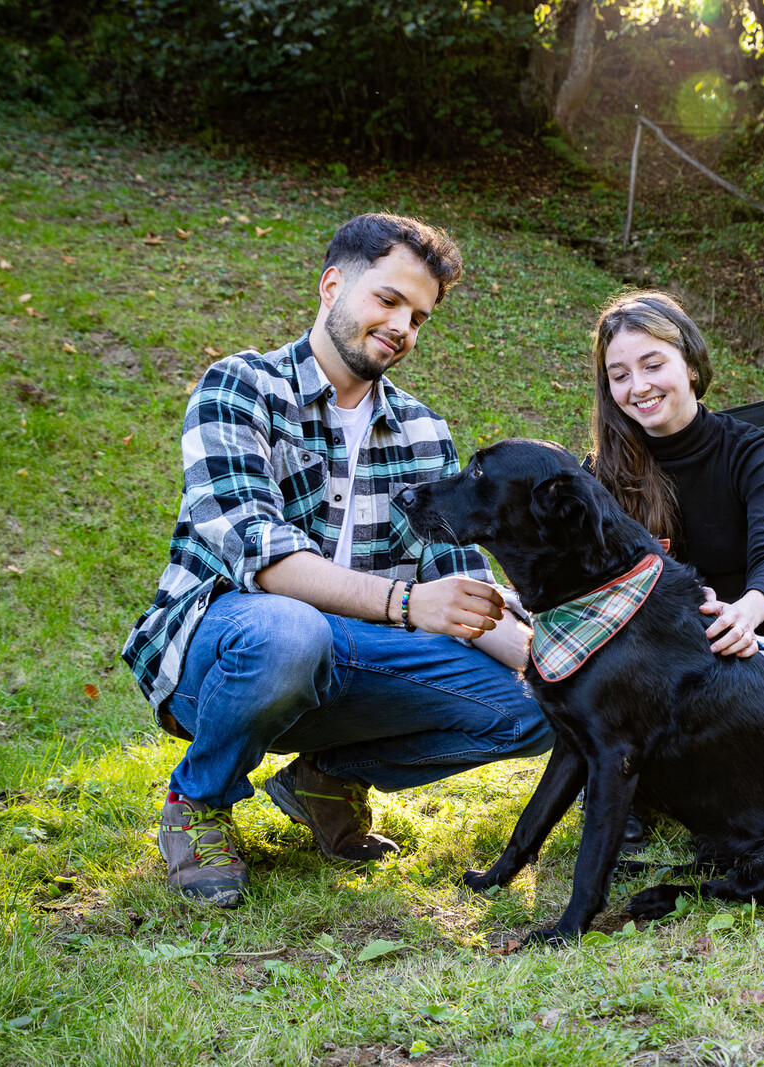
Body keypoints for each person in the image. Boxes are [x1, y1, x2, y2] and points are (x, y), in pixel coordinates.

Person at [122, 213, 549, 908]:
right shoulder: (240, 387)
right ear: (331, 285)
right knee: (291, 629)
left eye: (418, 316)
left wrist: (552, 662)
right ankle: (196, 801)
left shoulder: (421, 430)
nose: (402, 327)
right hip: (229, 657)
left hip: (357, 660)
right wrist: (409, 604)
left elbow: (464, 585)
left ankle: (327, 778)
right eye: (387, 299)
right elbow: (262, 558)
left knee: (543, 706)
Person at [587, 289, 764, 708]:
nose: (638, 387)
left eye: (653, 365)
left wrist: (744, 616)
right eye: (620, 375)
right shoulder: (599, 473)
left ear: (692, 365)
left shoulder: (752, 452)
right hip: (642, 648)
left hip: (742, 636)